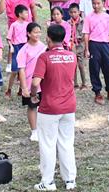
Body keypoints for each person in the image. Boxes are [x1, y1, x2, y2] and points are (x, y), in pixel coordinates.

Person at [30, 24, 78, 191]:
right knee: (66, 143)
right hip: (69, 106)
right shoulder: (72, 56)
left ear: (48, 39)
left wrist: (33, 94)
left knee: (48, 144)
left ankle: (48, 181)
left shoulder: (45, 57)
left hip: (50, 107)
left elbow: (36, 82)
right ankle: (70, 179)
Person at [84, 0, 109, 105]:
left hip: (105, 45)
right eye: (94, 3)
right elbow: (86, 34)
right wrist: (87, 49)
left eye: (98, 3)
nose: (96, 6)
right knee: (94, 69)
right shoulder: (89, 17)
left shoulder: (107, 17)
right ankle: (97, 92)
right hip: (94, 45)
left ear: (103, 3)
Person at [17, 22, 46, 142]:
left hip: (43, 83)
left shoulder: (43, 47)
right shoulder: (23, 50)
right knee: (32, 106)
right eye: (35, 32)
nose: (37, 34)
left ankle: (43, 128)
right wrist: (24, 87)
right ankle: (34, 131)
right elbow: (21, 70)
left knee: (43, 106)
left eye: (39, 32)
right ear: (28, 34)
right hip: (30, 83)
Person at [5, 5, 31, 98]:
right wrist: (11, 46)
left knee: (23, 69)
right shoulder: (14, 25)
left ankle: (21, 89)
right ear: (20, 14)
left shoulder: (28, 25)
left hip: (25, 47)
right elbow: (8, 38)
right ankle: (9, 89)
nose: (27, 14)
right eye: (26, 12)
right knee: (14, 70)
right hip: (16, 47)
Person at [68, 3, 87, 90]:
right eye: (71, 12)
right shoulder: (68, 23)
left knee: (81, 65)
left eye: (75, 12)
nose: (73, 14)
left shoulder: (84, 22)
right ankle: (75, 83)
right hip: (72, 46)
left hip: (81, 45)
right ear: (69, 13)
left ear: (79, 12)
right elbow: (67, 34)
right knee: (73, 65)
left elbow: (86, 33)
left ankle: (84, 83)